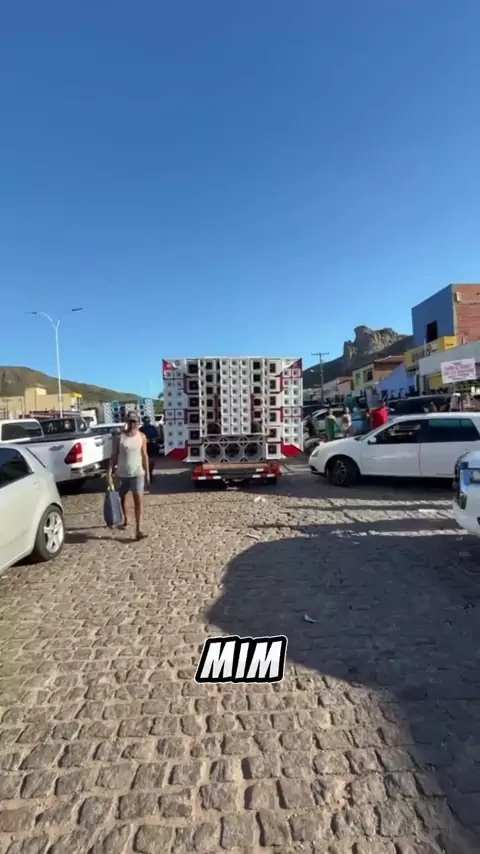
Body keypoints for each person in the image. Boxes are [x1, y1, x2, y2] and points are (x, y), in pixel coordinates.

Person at [108, 412, 149, 541]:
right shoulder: (119, 438)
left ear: (138, 422)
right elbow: (114, 456)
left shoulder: (142, 436)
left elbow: (144, 455)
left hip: (138, 472)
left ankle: (139, 529)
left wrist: (147, 472)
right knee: (123, 497)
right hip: (122, 473)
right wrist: (109, 473)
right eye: (130, 421)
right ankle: (126, 519)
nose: (132, 424)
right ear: (126, 422)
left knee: (138, 500)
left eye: (134, 421)